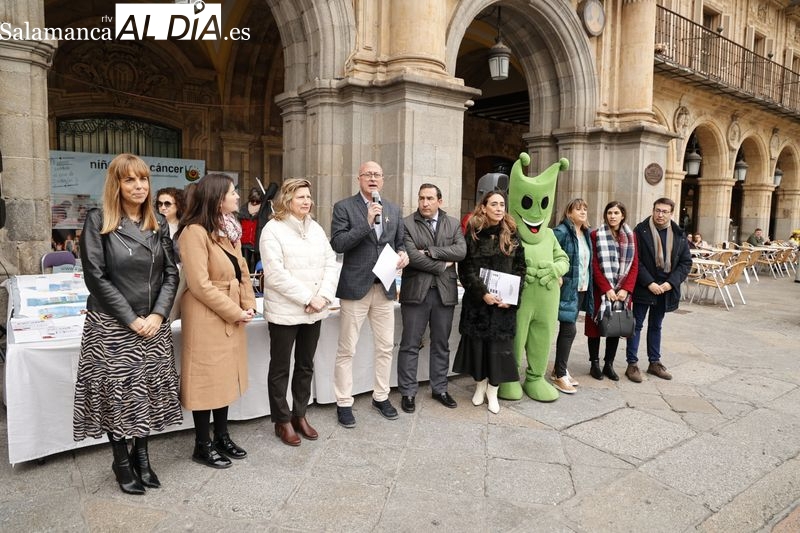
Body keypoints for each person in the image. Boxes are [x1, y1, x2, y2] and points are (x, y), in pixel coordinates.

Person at [73, 153, 182, 495]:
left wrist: (158, 314)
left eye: (143, 179)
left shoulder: (158, 222)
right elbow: (95, 276)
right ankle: (121, 460)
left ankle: (143, 458)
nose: (139, 186)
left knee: (145, 391)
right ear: (116, 184)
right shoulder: (98, 220)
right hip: (112, 324)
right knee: (116, 395)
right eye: (130, 179)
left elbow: (171, 273)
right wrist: (132, 319)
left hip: (153, 324)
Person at [176, 173, 257, 468]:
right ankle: (202, 444)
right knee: (206, 380)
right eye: (233, 192)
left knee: (223, 378)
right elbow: (199, 285)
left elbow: (242, 270)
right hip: (205, 316)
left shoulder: (227, 229)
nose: (237, 197)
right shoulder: (194, 233)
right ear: (217, 198)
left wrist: (248, 304)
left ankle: (221, 436)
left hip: (229, 311)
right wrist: (236, 311)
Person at [260, 178, 341, 446]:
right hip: (286, 311)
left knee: (306, 365)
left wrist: (324, 296)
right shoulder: (272, 229)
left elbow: (331, 263)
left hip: (314, 310)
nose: (307, 201)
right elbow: (275, 274)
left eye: (308, 197)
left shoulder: (315, 228)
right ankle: (282, 420)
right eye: (300, 197)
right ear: (287, 200)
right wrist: (308, 297)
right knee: (281, 368)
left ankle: (300, 414)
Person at [330, 161, 409, 428]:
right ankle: (344, 402)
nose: (373, 178)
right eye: (368, 174)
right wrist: (365, 223)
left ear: (383, 179)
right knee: (347, 349)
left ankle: (381, 396)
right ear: (359, 178)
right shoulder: (344, 207)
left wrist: (403, 254)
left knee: (385, 347)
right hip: (355, 288)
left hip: (384, 287)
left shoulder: (394, 210)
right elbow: (338, 244)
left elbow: (400, 242)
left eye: (377, 174)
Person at [453, 191, 525, 414]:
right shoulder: (473, 233)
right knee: (478, 350)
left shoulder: (512, 233)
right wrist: (482, 293)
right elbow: (466, 268)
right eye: (494, 204)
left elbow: (521, 268)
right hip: (479, 306)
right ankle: (480, 386)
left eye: (502, 204)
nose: (499, 208)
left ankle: (493, 391)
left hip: (503, 307)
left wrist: (512, 299)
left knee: (498, 351)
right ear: (483, 208)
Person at [397, 184, 466, 413]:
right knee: (410, 344)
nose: (425, 203)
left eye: (429, 198)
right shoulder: (406, 223)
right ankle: (408, 392)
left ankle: (440, 389)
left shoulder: (453, 223)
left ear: (440, 201)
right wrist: (443, 264)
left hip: (444, 293)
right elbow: (413, 257)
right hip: (416, 292)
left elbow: (461, 251)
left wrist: (430, 252)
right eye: (421, 198)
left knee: (441, 344)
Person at [625, 198, 692, 382]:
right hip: (644, 287)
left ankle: (654, 362)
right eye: (657, 210)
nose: (660, 214)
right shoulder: (640, 231)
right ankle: (632, 364)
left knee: (656, 326)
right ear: (653, 210)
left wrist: (670, 284)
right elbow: (635, 260)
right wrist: (649, 283)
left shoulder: (678, 234)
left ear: (671, 213)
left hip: (665, 289)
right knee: (636, 325)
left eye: (664, 211)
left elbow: (685, 263)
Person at [586, 201, 638, 381]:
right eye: (609, 213)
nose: (612, 216)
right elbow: (593, 264)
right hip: (600, 290)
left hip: (622, 292)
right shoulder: (596, 235)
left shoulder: (631, 236)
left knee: (615, 325)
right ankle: (594, 364)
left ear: (623, 215)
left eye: (616, 213)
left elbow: (634, 265)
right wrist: (606, 288)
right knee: (594, 328)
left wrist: (626, 289)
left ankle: (609, 364)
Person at [551, 198, 594, 394]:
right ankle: (560, 374)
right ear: (569, 213)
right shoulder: (560, 232)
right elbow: (550, 254)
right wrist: (557, 274)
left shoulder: (586, 234)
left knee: (568, 330)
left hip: (581, 288)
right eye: (578, 209)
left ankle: (559, 369)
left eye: (585, 208)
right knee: (569, 330)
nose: (583, 212)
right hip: (565, 289)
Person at [239, 187, 264, 273]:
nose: (254, 203)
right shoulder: (243, 208)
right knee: (245, 265)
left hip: (257, 241)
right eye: (253, 200)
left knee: (258, 265)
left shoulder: (263, 210)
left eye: (257, 201)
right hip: (245, 242)